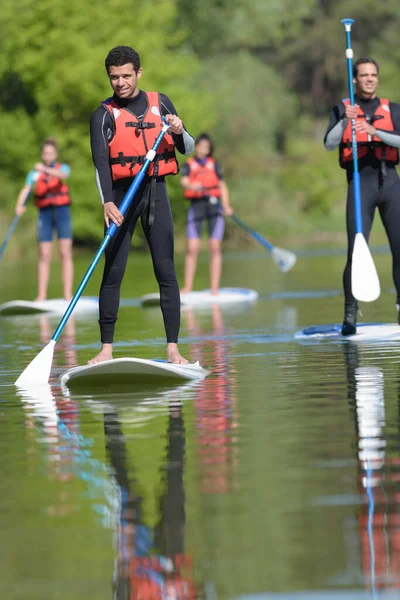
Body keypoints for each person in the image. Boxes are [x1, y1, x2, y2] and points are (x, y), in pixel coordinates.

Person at [89, 46, 194, 365]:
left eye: (125, 75)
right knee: (113, 272)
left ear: (138, 73)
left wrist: (177, 130)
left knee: (166, 270)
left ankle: (173, 348)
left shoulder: (160, 103)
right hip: (120, 198)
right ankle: (106, 349)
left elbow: (186, 148)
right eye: (113, 77)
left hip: (155, 194)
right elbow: (100, 164)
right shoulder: (103, 115)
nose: (119, 82)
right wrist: (107, 201)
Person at [324, 57, 400, 335]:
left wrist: (374, 131)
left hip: (391, 183)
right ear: (354, 79)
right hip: (360, 183)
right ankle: (350, 313)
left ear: (377, 78)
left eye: (373, 75)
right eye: (364, 75)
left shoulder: (392, 108)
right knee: (356, 251)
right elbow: (330, 145)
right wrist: (345, 121)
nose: (369, 79)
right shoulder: (343, 109)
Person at [15, 138, 73, 302]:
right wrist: (19, 205)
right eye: (45, 153)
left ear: (55, 154)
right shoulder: (34, 174)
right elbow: (26, 189)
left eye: (50, 153)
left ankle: (68, 294)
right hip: (44, 213)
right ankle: (41, 295)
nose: (47, 156)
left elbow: (63, 175)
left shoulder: (62, 168)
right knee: (44, 254)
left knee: (64, 252)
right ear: (42, 154)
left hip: (62, 212)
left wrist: (45, 170)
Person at [180, 133, 233, 295]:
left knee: (214, 247)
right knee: (192, 247)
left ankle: (215, 289)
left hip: (214, 207)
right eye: (200, 146)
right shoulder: (188, 164)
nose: (203, 149)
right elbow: (184, 181)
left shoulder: (214, 164)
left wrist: (226, 205)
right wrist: (191, 185)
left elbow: (222, 186)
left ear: (209, 149)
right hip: (197, 206)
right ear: (196, 147)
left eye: (206, 147)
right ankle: (187, 287)